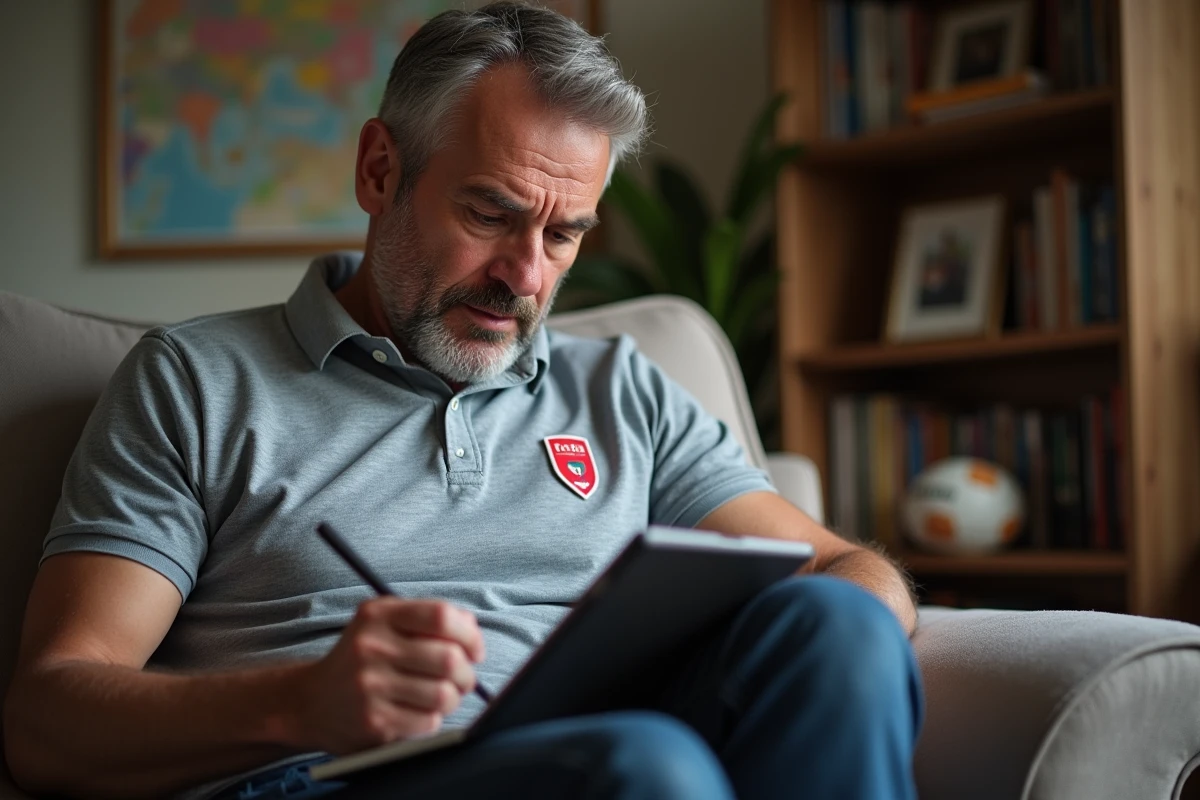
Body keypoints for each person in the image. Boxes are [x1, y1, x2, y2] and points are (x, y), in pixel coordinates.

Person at [2, 3, 922, 799]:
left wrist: (849, 643)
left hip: (610, 747)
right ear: (378, 171)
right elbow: (48, 718)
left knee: (837, 619)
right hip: (323, 774)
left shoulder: (622, 389)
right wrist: (299, 701)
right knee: (641, 768)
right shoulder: (196, 381)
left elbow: (844, 568)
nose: (525, 276)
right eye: (490, 214)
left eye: (565, 234)